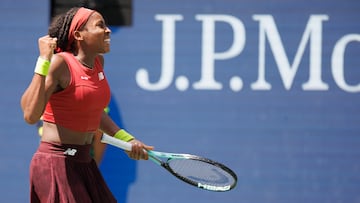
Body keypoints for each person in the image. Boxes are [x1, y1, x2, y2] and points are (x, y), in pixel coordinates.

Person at [20, 7, 153, 203]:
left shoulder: (98, 62)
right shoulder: (59, 64)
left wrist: (127, 140)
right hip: (56, 163)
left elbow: (94, 112)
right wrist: (43, 61)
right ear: (78, 35)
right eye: (100, 26)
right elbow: (31, 115)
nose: (107, 30)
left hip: (83, 162)